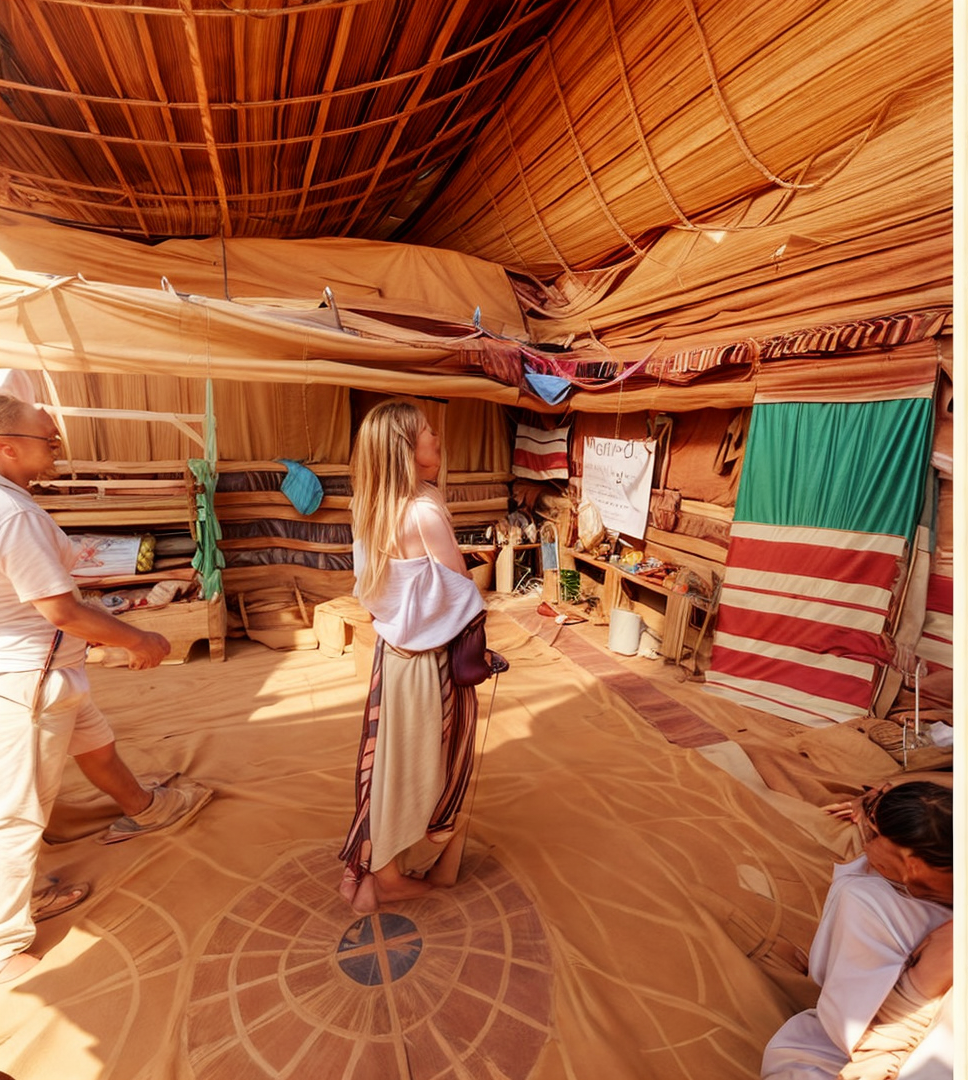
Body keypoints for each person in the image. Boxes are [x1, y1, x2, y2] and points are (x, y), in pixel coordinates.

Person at [0, 395, 212, 984]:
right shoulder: (13, 515)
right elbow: (61, 611)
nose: (57, 449)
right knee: (17, 811)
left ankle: (144, 809)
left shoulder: (16, 504)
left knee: (96, 747)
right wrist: (138, 639)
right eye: (48, 440)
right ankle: (5, 940)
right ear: (7, 446)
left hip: (47, 673)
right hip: (31, 681)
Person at [338, 400, 488, 914]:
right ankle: (391, 877)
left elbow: (373, 591)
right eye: (428, 433)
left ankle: (375, 872)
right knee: (425, 768)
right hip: (429, 662)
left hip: (393, 655)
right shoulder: (423, 509)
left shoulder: (369, 505)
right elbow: (460, 591)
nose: (436, 438)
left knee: (388, 764)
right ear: (406, 448)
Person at [761, 781, 953, 1080]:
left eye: (873, 835)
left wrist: (880, 1052)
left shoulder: (867, 900)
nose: (865, 843)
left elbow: (898, 1015)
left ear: (912, 865)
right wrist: (872, 805)